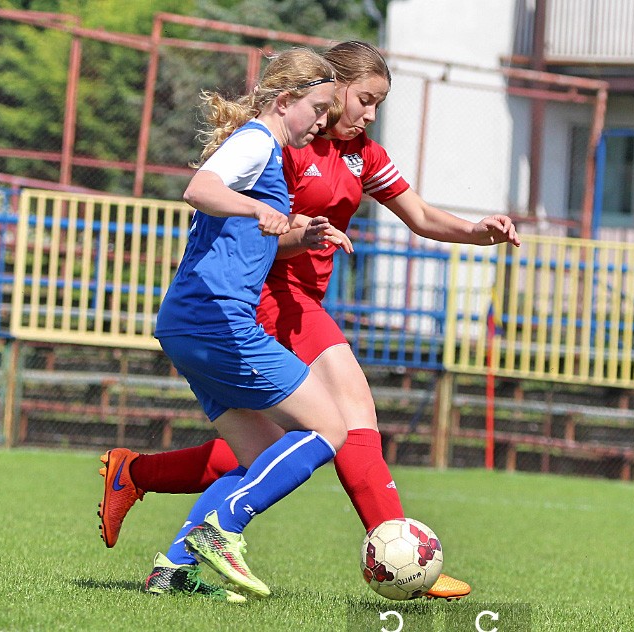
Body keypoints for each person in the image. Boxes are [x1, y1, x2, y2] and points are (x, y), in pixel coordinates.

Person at [99, 40, 520, 601]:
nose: (368, 114)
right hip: (268, 296)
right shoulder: (283, 143)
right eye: (362, 100)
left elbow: (418, 215)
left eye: (377, 105)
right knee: (345, 417)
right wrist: (299, 231)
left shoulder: (361, 154)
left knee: (261, 450)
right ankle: (394, 549)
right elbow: (246, 222)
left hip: (287, 300)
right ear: (329, 87)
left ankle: (154, 511)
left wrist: (476, 231)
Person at [141, 47, 346, 603]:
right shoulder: (257, 141)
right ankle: (223, 526)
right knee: (329, 429)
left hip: (187, 323)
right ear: (286, 100)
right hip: (216, 322)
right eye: (319, 107)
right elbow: (200, 190)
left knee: (263, 456)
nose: (324, 121)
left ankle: (175, 568)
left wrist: (304, 236)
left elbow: (238, 237)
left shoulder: (265, 152)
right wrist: (255, 209)